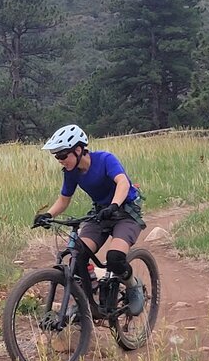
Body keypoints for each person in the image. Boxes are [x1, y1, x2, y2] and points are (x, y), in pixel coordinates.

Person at [33, 124, 146, 315]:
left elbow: (123, 182)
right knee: (77, 254)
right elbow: (64, 199)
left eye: (62, 155)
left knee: (115, 258)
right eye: (56, 157)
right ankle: (85, 299)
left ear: (78, 150)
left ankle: (133, 286)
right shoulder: (71, 172)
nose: (60, 160)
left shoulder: (105, 159)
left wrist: (114, 205)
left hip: (125, 212)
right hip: (101, 213)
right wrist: (48, 215)